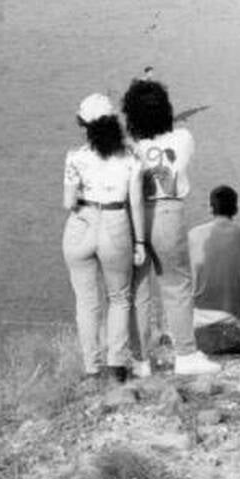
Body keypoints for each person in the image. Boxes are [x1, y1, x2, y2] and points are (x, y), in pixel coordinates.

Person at [123, 78, 221, 376]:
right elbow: (175, 130)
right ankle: (186, 354)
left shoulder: (129, 148)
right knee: (176, 286)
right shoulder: (183, 139)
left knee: (138, 288)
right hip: (168, 212)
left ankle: (140, 360)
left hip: (133, 216)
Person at [62, 94, 147, 383]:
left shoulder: (76, 157)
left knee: (86, 303)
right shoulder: (130, 158)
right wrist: (140, 243)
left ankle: (91, 367)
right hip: (115, 223)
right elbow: (135, 203)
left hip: (81, 224)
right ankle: (116, 366)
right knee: (120, 298)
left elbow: (67, 201)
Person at [188, 185, 240, 354]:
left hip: (200, 313)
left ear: (211, 208)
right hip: (235, 315)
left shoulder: (194, 234)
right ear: (236, 209)